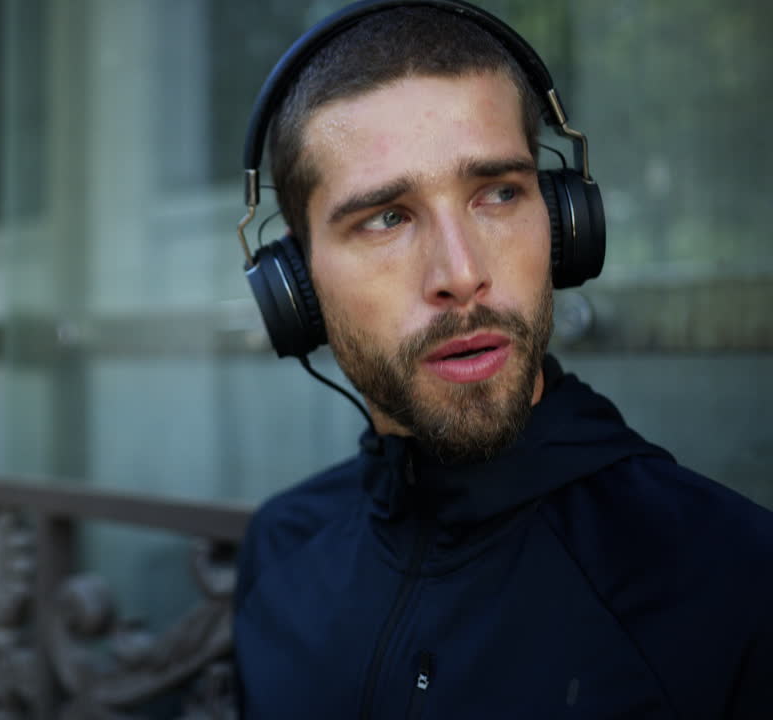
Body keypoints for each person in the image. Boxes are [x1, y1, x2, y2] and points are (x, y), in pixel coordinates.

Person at [230, 1, 773, 717]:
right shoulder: (282, 550)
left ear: (565, 225)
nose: (461, 272)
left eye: (498, 193)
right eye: (387, 217)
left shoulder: (733, 577)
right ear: (296, 286)